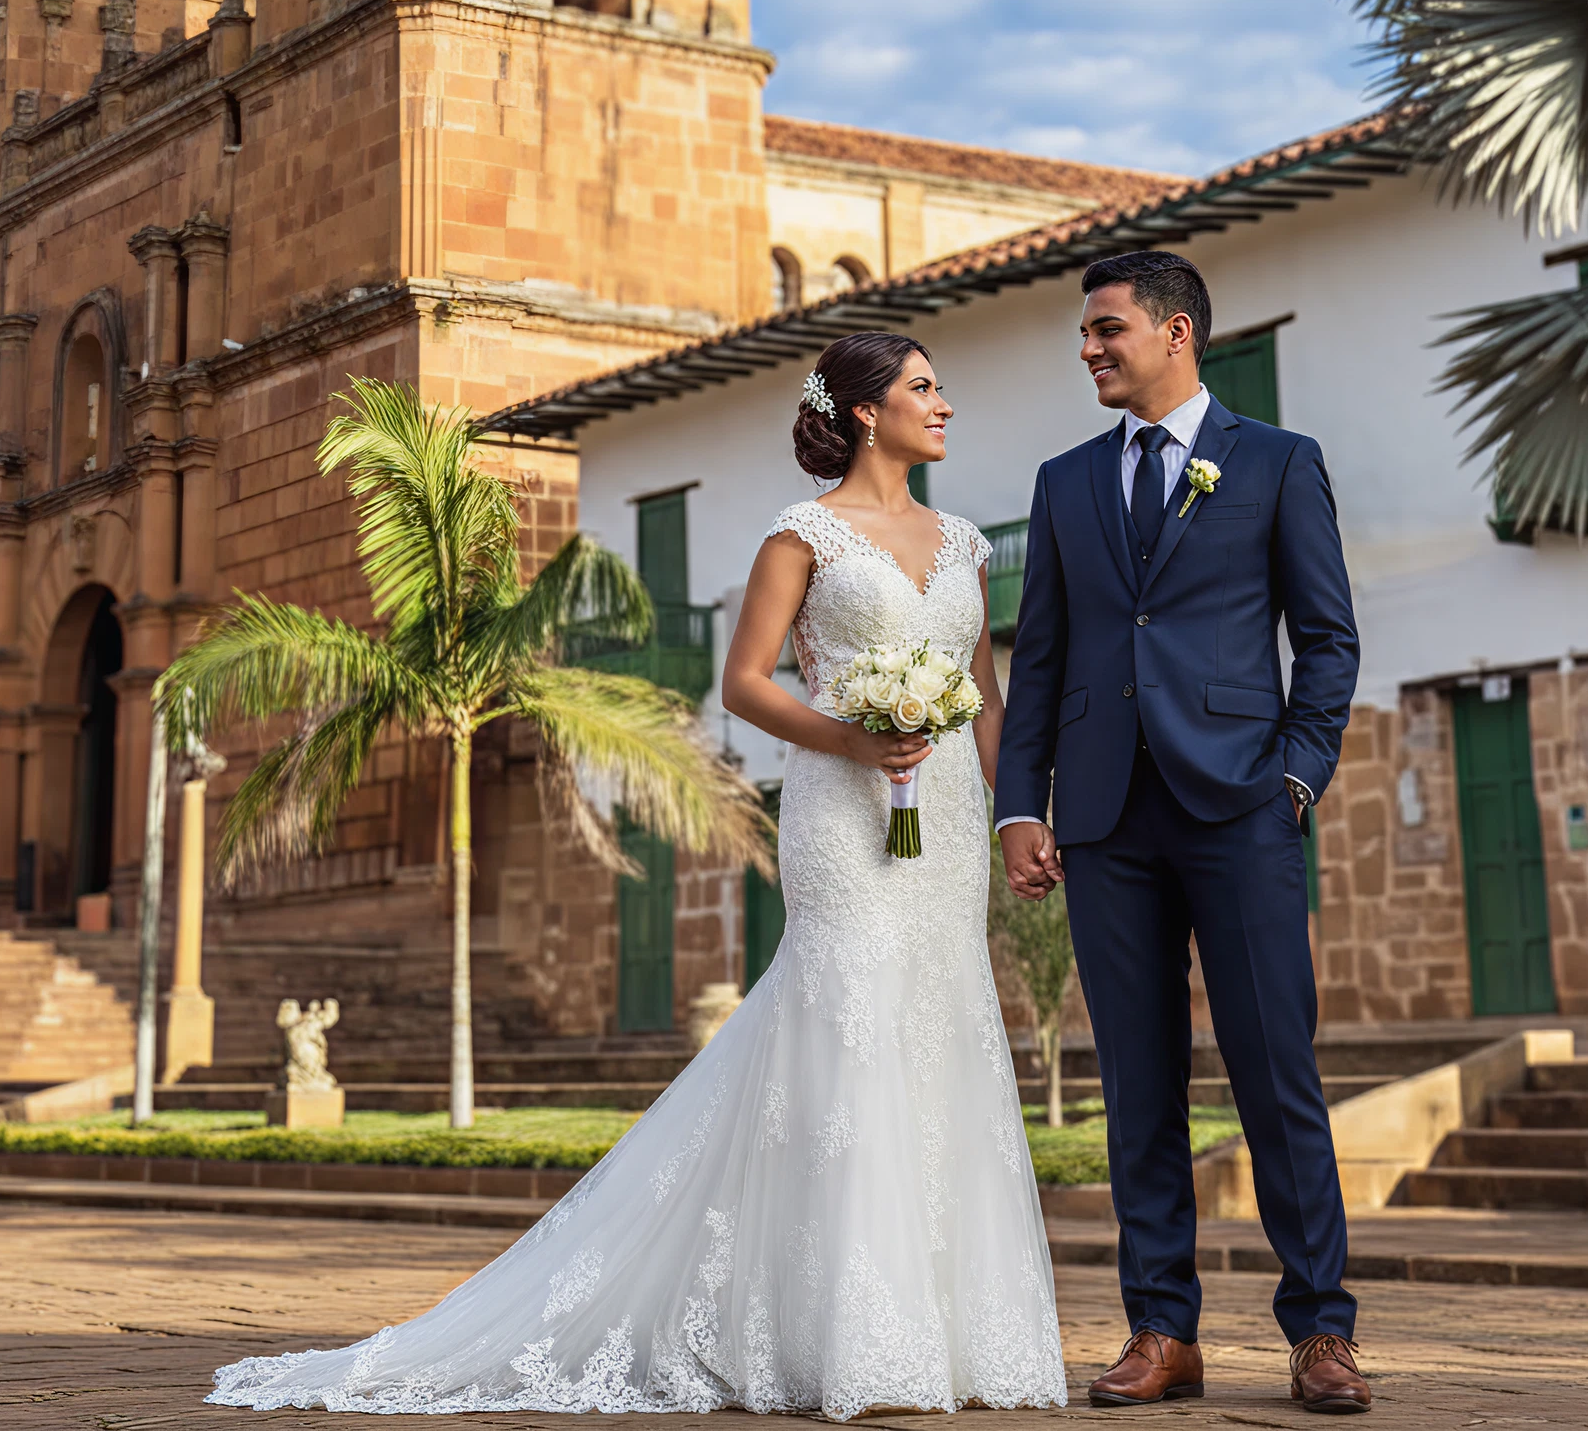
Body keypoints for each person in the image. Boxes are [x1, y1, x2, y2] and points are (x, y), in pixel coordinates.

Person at [208, 330, 1067, 1419]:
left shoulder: (963, 541)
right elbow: (746, 684)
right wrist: (855, 738)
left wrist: (1014, 816)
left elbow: (980, 687)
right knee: (847, 1016)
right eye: (921, 387)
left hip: (942, 815)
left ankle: (954, 1333)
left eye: (940, 384)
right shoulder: (800, 536)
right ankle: (853, 1334)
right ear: (862, 410)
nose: (943, 401)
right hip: (840, 812)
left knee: (939, 1023)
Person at [995, 250, 1371, 1415]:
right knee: (1137, 1084)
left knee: (1276, 1071)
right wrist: (1022, 801)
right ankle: (1163, 1327)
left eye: (1107, 329)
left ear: (1175, 331)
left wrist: (1298, 777)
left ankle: (1320, 1330)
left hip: (1242, 807)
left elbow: (1328, 637)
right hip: (1106, 816)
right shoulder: (1063, 483)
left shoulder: (1276, 462)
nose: (1089, 348)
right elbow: (1039, 655)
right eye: (1085, 334)